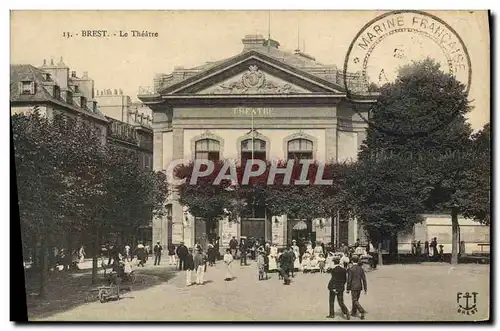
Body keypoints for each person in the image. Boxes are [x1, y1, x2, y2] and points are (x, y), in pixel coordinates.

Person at [346, 255, 367, 320]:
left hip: (353, 286)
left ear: (352, 261)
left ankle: (361, 310)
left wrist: (348, 288)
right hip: (359, 286)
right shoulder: (361, 269)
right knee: (356, 299)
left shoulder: (351, 269)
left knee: (354, 300)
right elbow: (364, 279)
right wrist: (365, 289)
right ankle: (353, 312)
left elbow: (349, 280)